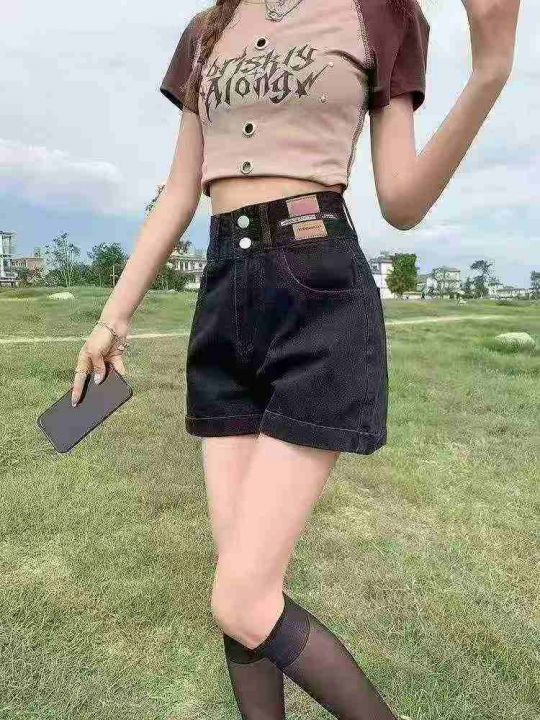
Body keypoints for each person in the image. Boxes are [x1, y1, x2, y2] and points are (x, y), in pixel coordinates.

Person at [72, 0, 520, 717]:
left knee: (241, 599)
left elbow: (402, 202)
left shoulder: (381, 12)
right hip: (224, 295)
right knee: (240, 598)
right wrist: (112, 318)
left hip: (318, 289)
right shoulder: (208, 31)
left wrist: (490, 72)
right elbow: (181, 192)